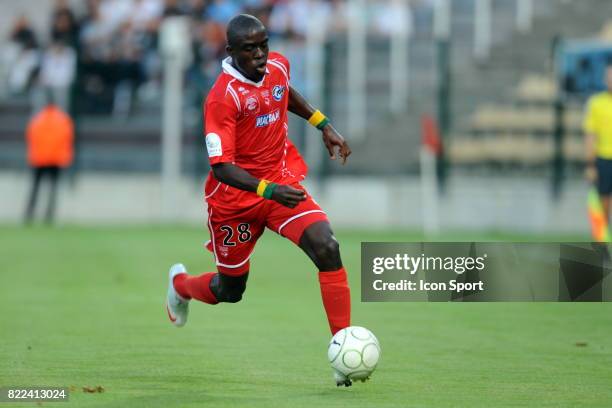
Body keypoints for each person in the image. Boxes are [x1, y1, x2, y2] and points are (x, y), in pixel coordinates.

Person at [165, 14, 354, 386]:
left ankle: (342, 352)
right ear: (231, 51)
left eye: (264, 45)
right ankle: (180, 286)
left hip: (280, 182)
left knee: (327, 247)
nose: (261, 55)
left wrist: (323, 124)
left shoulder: (278, 66)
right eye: (250, 49)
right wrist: (268, 190)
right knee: (230, 290)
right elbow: (221, 168)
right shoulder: (222, 98)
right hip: (235, 200)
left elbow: (285, 94)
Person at [24, 100, 74, 224]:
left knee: (35, 188)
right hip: (55, 159)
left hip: (39, 158)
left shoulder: (37, 119)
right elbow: (67, 139)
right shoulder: (63, 119)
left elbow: (30, 136)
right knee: (53, 188)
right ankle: (49, 215)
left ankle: (29, 214)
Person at [584, 63, 612, 222]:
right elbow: (590, 136)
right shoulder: (596, 103)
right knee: (604, 204)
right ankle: (603, 244)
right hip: (604, 159)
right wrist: (590, 165)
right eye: (609, 77)